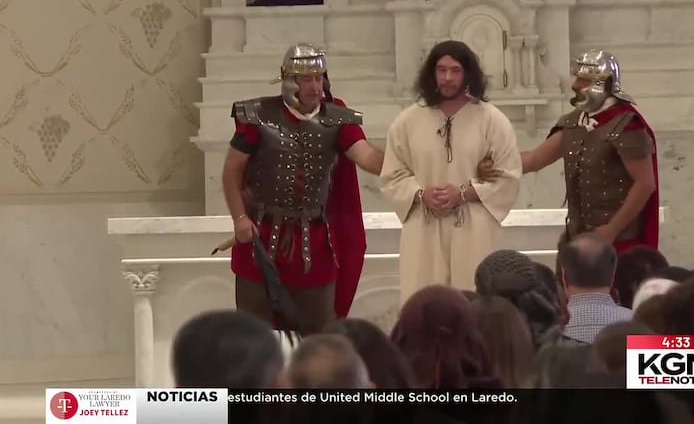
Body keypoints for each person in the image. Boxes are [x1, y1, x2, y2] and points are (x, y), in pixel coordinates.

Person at [219, 43, 384, 336]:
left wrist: (406, 157)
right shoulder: (258, 115)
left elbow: (366, 156)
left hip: (314, 247)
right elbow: (232, 170)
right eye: (306, 79)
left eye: (319, 78)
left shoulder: (337, 117)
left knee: (320, 338)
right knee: (253, 339)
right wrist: (240, 219)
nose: (315, 86)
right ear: (288, 81)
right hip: (261, 241)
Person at [379, 40, 522, 302]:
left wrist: (464, 193)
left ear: (467, 74)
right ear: (432, 73)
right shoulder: (408, 121)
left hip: (473, 230)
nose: (447, 78)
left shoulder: (491, 120)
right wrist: (421, 194)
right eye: (441, 70)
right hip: (424, 229)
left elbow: (508, 175)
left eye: (455, 70)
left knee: (472, 302)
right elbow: (392, 174)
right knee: (424, 302)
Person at [479, 49, 659, 254]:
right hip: (578, 237)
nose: (575, 85)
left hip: (620, 243)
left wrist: (612, 229)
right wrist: (496, 166)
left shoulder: (627, 125)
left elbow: (645, 184)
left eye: (584, 80)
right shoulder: (574, 122)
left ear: (605, 84)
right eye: (577, 79)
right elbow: (535, 159)